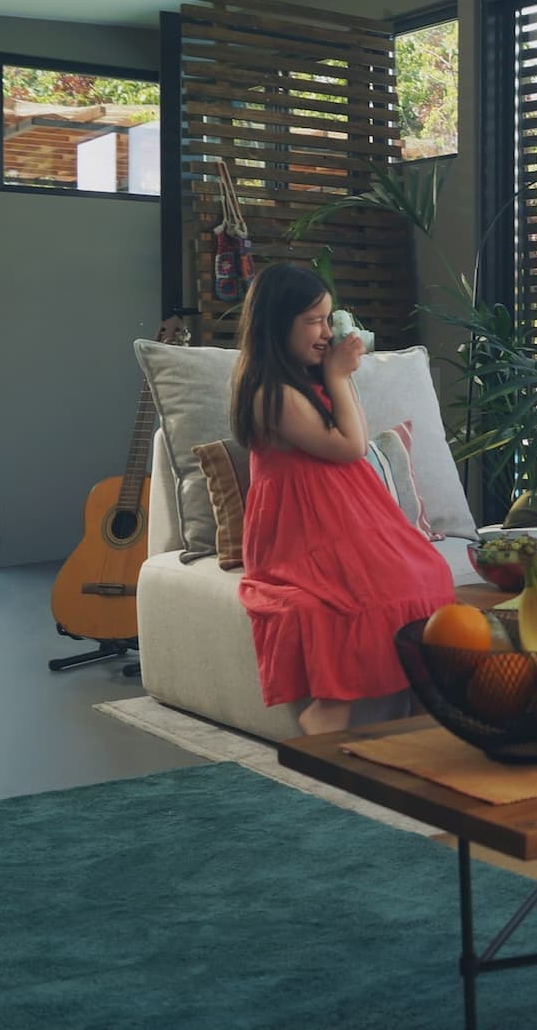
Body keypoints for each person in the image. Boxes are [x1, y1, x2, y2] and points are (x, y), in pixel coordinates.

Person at [230, 263, 456, 735]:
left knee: (428, 571)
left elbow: (358, 431)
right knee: (363, 594)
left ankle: (423, 707)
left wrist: (338, 376)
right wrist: (336, 374)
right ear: (277, 323)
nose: (326, 332)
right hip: (304, 533)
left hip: (347, 516)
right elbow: (350, 447)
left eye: (328, 319)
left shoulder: (310, 381)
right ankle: (328, 713)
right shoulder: (270, 395)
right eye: (313, 321)